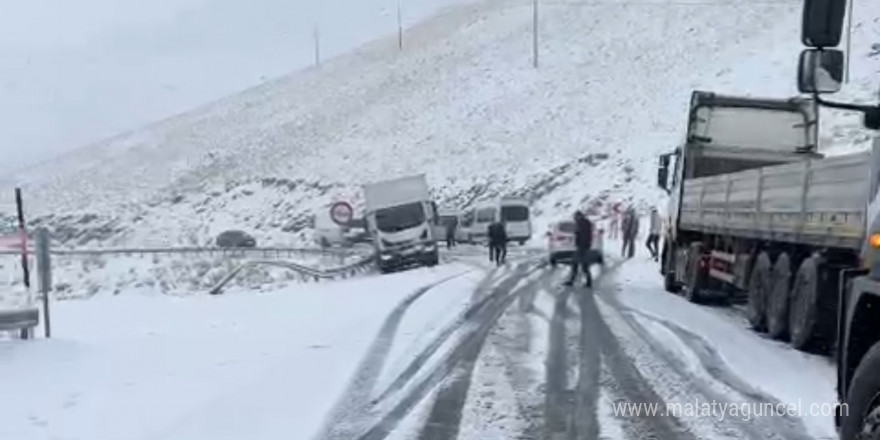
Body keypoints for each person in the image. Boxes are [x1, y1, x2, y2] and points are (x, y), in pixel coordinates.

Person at [563, 210, 594, 287]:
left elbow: (580, 234)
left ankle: (572, 281)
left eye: (575, 217)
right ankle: (588, 282)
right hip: (585, 246)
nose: (575, 219)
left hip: (582, 247)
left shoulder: (581, 223)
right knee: (583, 266)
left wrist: (577, 236)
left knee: (576, 264)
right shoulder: (586, 222)